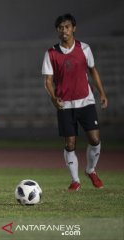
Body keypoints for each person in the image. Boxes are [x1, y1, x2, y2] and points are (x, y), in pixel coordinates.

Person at [42, 13, 108, 191]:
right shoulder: (51, 53)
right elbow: (48, 80)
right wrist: (53, 97)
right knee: (69, 144)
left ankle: (91, 170)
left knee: (95, 139)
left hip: (86, 101)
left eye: (67, 27)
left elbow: (93, 71)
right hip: (65, 105)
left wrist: (101, 92)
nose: (64, 30)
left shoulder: (84, 49)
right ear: (57, 30)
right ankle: (75, 180)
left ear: (74, 29)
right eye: (61, 27)